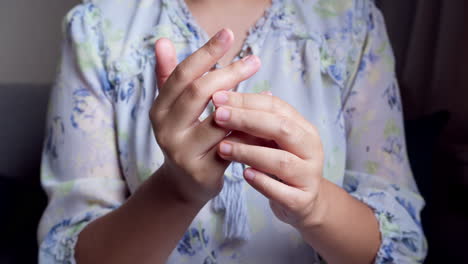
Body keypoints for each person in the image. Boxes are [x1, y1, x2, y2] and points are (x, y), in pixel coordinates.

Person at [37, 0, 427, 263]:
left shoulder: (350, 23)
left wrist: (315, 206)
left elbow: (400, 243)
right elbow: (68, 249)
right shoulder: (100, 29)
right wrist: (176, 190)